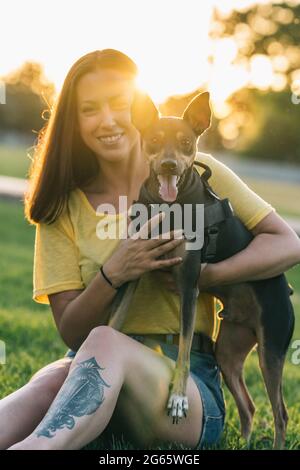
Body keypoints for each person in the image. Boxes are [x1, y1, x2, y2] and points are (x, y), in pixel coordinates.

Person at [1, 49, 300, 451]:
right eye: (90, 109)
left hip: (186, 383)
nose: (107, 119)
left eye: (118, 105)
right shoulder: (61, 204)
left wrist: (207, 277)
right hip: (92, 364)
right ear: (73, 120)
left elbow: (287, 244)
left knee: (105, 343)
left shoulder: (201, 175)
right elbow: (71, 331)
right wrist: (116, 272)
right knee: (55, 377)